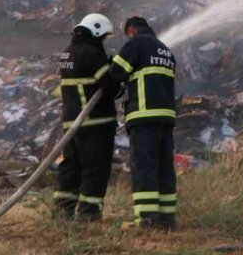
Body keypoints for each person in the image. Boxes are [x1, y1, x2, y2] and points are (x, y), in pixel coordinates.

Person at [104, 16, 178, 229]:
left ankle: (147, 219)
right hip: (166, 118)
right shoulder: (165, 50)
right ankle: (167, 218)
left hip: (144, 116)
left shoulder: (136, 44)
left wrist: (111, 64)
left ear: (131, 31)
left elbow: (115, 73)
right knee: (164, 168)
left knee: (144, 166)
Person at [53, 13, 117, 221]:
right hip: (95, 123)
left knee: (71, 167)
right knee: (95, 168)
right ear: (96, 32)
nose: (104, 41)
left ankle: (63, 210)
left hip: (72, 122)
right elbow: (110, 88)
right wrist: (116, 71)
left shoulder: (67, 52)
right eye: (104, 37)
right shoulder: (92, 54)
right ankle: (89, 214)